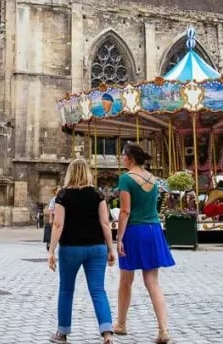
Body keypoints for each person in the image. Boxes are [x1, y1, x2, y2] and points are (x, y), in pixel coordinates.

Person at [47, 159, 115, 344]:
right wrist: (111, 248)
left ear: (70, 173)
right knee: (98, 291)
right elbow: (105, 223)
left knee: (66, 290)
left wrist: (51, 251)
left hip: (71, 248)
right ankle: (107, 332)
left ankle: (62, 333)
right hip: (96, 248)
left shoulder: (63, 195)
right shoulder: (97, 194)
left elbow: (58, 224)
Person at [115, 142, 174, 344]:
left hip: (135, 230)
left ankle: (121, 323)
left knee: (126, 279)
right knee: (152, 282)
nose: (122, 158)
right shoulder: (153, 178)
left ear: (130, 158)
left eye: (123, 155)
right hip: (154, 229)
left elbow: (125, 211)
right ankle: (163, 329)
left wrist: (119, 237)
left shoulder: (126, 179)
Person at [45, 185, 58, 250]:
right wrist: (50, 218)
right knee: (53, 231)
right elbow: (50, 209)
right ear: (55, 192)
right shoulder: (53, 199)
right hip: (54, 216)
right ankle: (50, 243)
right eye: (58, 190)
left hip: (60, 216)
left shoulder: (63, 199)